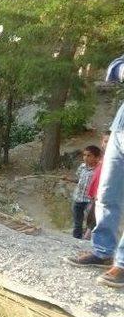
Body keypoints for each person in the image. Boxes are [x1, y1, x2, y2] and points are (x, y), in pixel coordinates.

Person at [66, 54, 124, 288]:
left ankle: (121, 264)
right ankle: (103, 252)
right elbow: (114, 65)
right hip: (120, 133)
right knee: (106, 195)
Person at [63, 146, 101, 239]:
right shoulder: (82, 167)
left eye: (89, 155)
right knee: (77, 221)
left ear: (96, 157)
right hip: (78, 198)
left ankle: (89, 239)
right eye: (84, 155)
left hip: (90, 200)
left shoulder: (99, 170)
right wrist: (68, 179)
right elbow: (79, 179)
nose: (85, 157)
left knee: (91, 221)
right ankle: (76, 239)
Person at [84, 131, 111, 240]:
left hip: (102, 195)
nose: (106, 144)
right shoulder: (104, 158)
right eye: (105, 141)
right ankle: (88, 238)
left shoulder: (114, 160)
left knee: (95, 219)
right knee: (91, 217)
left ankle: (89, 239)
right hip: (95, 194)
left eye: (109, 142)